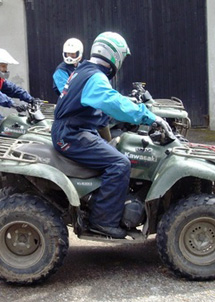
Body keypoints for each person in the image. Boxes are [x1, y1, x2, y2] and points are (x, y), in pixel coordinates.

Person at [51, 32, 173, 238]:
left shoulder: (85, 71)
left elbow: (108, 100)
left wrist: (133, 106)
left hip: (75, 130)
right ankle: (103, 221)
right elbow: (110, 101)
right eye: (122, 57)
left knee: (116, 149)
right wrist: (149, 117)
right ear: (114, 56)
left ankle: (105, 203)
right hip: (72, 134)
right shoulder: (94, 76)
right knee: (120, 164)